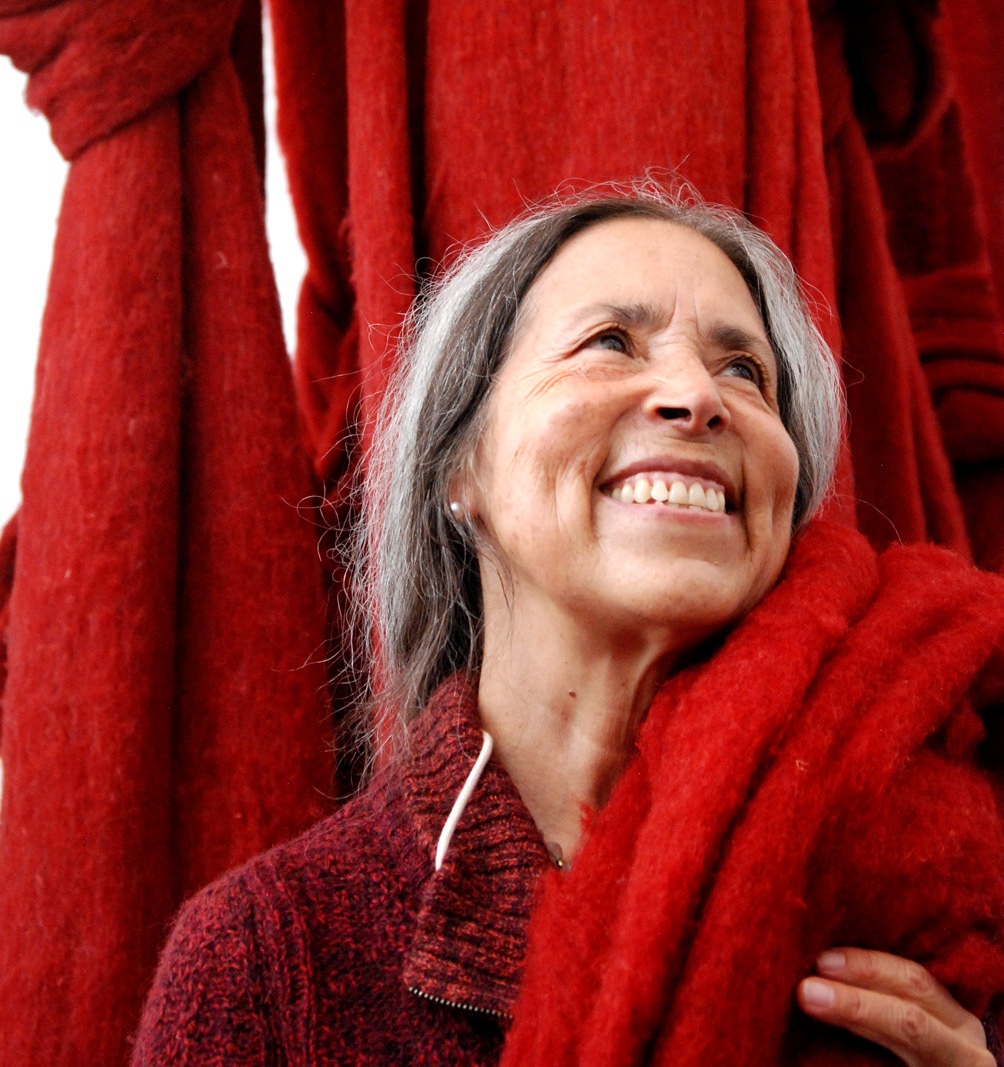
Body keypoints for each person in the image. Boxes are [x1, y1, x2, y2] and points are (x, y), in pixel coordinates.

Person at [131, 191, 1004, 1066]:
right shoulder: (270, 959)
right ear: (459, 468)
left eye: (745, 371)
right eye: (611, 344)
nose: (699, 396)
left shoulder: (932, 907)